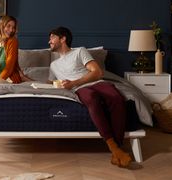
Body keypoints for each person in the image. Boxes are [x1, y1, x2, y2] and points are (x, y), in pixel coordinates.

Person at [47, 27, 132, 168]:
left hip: (97, 83)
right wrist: (26, 78)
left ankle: (117, 148)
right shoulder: (53, 65)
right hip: (81, 89)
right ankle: (115, 149)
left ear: (63, 39)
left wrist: (73, 82)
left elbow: (97, 72)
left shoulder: (79, 51)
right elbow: (50, 83)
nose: (49, 41)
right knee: (92, 99)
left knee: (116, 98)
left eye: (52, 37)